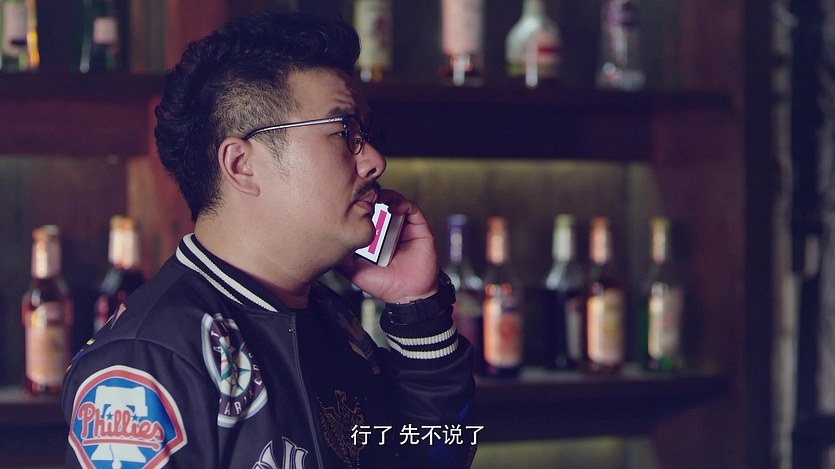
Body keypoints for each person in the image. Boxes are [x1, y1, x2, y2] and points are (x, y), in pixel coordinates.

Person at [61, 10, 477, 469]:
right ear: (241, 164)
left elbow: (434, 458)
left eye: (367, 133)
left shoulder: (330, 320)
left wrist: (419, 312)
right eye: (345, 132)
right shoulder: (148, 361)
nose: (375, 160)